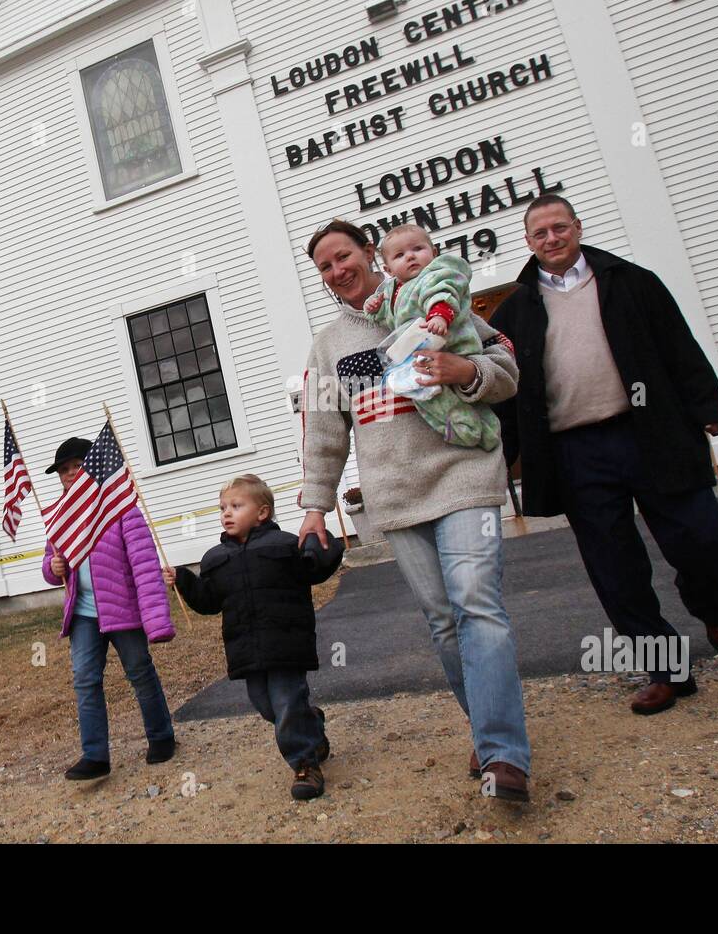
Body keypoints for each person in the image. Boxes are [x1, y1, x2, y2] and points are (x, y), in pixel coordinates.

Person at [490, 194, 718, 716]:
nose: (551, 239)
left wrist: (707, 405)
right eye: (539, 233)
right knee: (616, 570)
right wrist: (498, 462)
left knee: (702, 536)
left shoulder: (631, 281)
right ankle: (667, 669)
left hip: (651, 433)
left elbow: (679, 345)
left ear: (577, 228)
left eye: (559, 228)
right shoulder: (514, 311)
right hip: (576, 452)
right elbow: (508, 392)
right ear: (527, 242)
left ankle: (713, 609)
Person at [300, 219, 532, 802]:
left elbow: (506, 371)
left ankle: (504, 756)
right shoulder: (328, 347)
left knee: (476, 603)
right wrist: (315, 507)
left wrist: (466, 371)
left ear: (368, 252)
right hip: (395, 497)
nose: (337, 271)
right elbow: (325, 433)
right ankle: (485, 729)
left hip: (463, 472)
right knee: (443, 620)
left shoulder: (434, 296)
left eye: (344, 256)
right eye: (325, 266)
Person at [163, 474, 342, 800]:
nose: (226, 513)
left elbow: (314, 569)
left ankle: (305, 764)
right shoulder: (216, 560)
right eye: (222, 508)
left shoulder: (285, 545)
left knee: (286, 703)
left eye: (236, 506)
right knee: (266, 706)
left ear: (262, 512)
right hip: (246, 650)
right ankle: (310, 721)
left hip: (287, 643)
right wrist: (185, 581)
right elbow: (208, 601)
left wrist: (326, 545)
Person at [42, 436, 176, 779]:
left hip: (122, 609)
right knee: (85, 680)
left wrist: (156, 620)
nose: (71, 474)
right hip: (83, 614)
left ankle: (162, 737)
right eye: (64, 470)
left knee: (140, 672)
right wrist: (53, 569)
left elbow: (145, 564)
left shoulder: (121, 507)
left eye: (77, 466)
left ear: (94, 466)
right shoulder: (62, 515)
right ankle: (95, 756)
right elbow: (50, 563)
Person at [363, 224, 502, 450]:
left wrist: (439, 315)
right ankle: (472, 428)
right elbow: (390, 319)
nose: (410, 256)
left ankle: (469, 429)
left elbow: (443, 293)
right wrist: (376, 307)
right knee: (422, 392)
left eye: (417, 249)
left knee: (433, 391)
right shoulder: (393, 290)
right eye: (400, 255)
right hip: (423, 352)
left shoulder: (436, 274)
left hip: (452, 346)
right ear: (388, 270)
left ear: (434, 252)